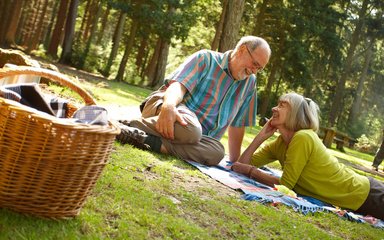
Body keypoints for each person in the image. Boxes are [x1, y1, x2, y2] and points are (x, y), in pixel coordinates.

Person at [116, 36, 271, 166]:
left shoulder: (250, 83)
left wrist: (235, 163)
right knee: (191, 130)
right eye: (255, 64)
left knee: (217, 152)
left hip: (197, 137)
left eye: (260, 68)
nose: (254, 71)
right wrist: (169, 106)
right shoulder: (206, 59)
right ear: (243, 49)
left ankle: (144, 139)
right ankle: (126, 125)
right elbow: (178, 86)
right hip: (171, 106)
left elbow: (237, 124)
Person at [231, 92, 384, 220]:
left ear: (295, 113)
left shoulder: (303, 137)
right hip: (359, 199)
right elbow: (240, 165)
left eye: (282, 105)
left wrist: (251, 171)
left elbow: (285, 185)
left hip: (368, 194)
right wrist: (260, 137)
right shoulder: (280, 143)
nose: (274, 108)